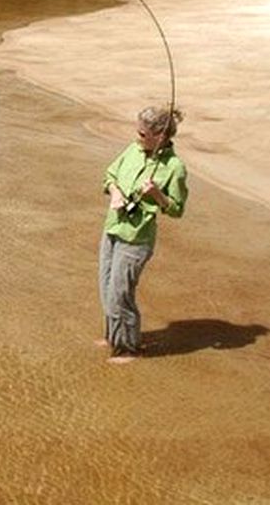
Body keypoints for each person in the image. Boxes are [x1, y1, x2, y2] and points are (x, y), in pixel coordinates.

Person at [98, 106, 189, 363]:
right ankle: (112, 336)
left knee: (120, 293)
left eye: (143, 133)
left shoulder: (175, 168)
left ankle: (128, 349)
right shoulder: (132, 150)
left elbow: (177, 210)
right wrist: (115, 192)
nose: (137, 137)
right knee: (106, 287)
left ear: (160, 136)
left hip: (137, 238)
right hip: (113, 227)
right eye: (138, 132)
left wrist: (157, 194)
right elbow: (110, 175)